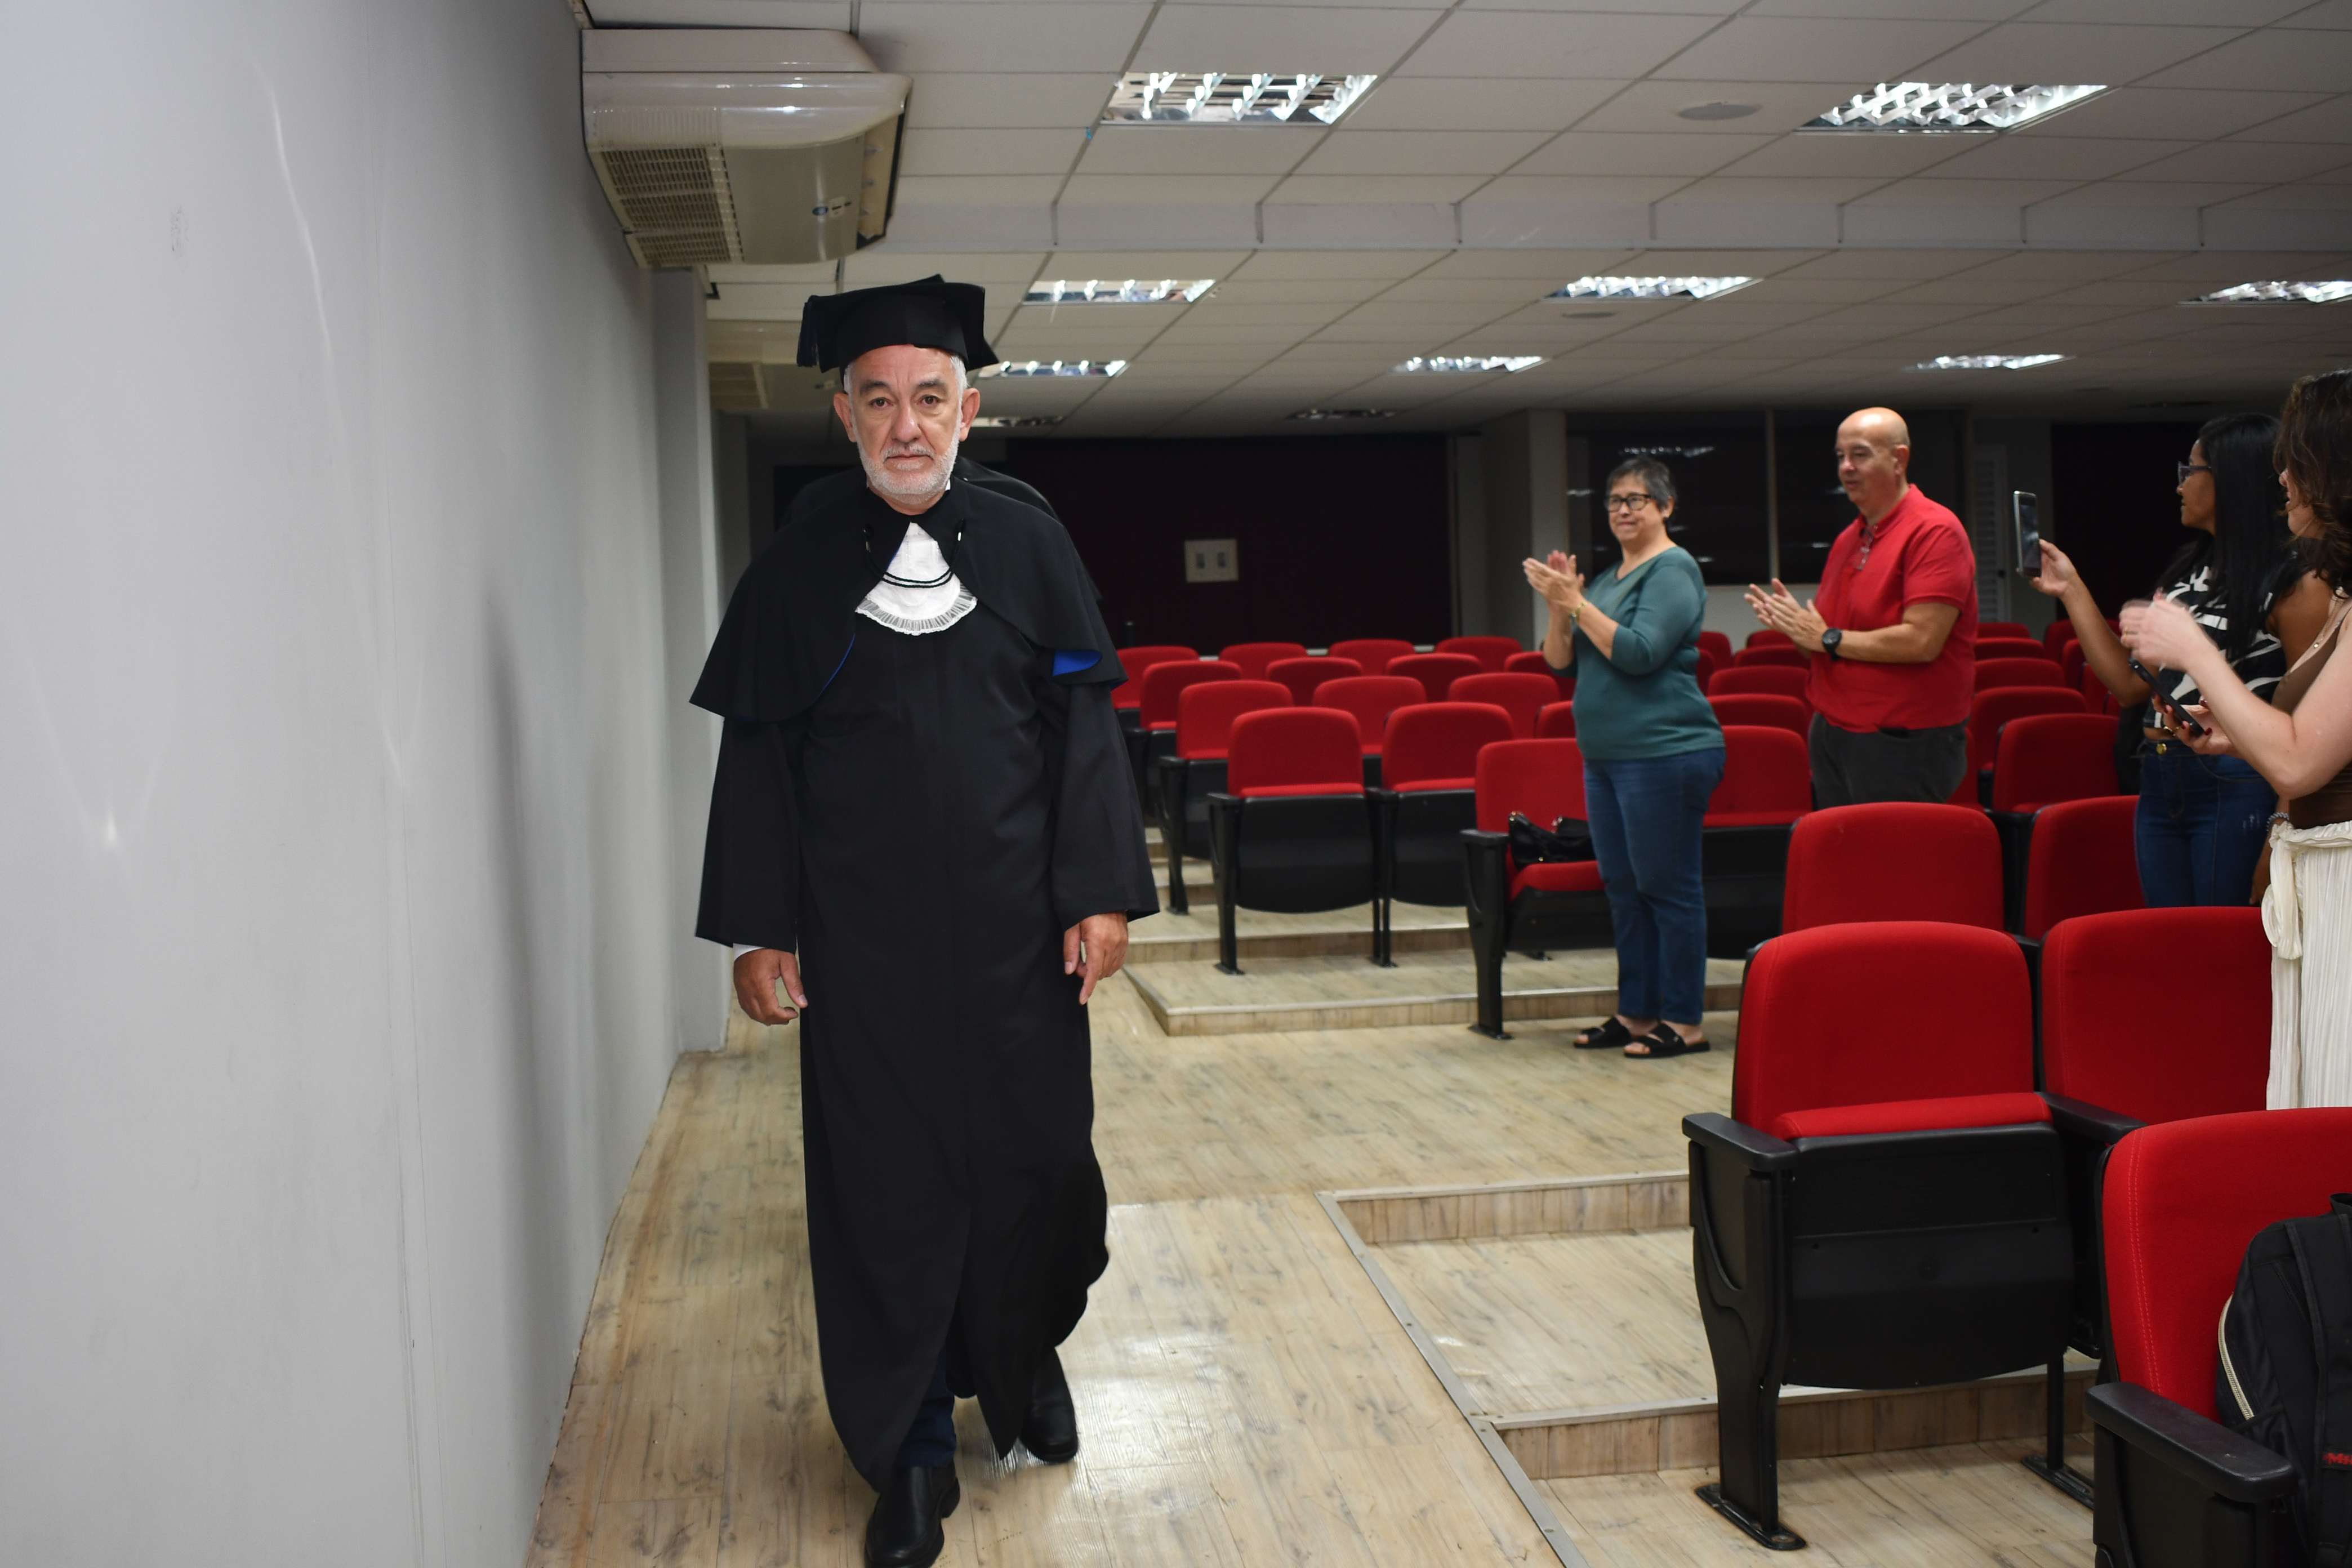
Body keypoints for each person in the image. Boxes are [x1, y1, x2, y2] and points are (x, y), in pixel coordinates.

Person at [691, 276, 1158, 1567]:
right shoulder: (794, 567)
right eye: (880, 399)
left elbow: (1082, 732)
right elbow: (759, 758)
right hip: (865, 946)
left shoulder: (1030, 543)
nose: (908, 425)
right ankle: (904, 1448)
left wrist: (1099, 888)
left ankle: (1022, 1353)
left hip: (1021, 936)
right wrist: (759, 927)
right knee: (885, 1191)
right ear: (844, 413)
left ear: (971, 408)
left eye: (931, 399)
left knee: (1040, 1166)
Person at [2126, 369, 2352, 1109]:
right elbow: (2304, 738)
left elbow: (2298, 761)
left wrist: (2194, 650)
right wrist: (2237, 735)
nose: (2282, 479)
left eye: (2298, 461)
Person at [2028, 413, 2329, 906]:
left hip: (2237, 780)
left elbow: (2305, 721)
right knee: (2173, 936)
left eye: (2191, 471)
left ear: (2231, 479)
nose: (2180, 486)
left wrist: (2280, 830)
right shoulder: (2194, 567)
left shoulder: (2295, 580)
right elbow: (2130, 686)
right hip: (2162, 773)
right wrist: (2071, 589)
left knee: (2222, 935)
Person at [1523, 456, 1723, 1060]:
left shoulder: (1673, 570)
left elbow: (1639, 654)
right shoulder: (1611, 577)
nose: (1623, 510)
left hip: (1666, 751)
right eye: (1614, 500)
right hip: (1608, 757)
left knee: (1668, 887)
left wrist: (1577, 603)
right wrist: (1560, 606)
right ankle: (1637, 1012)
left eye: (1637, 500)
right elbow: (1560, 661)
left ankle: (1684, 1019)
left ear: (1666, 507)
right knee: (1625, 888)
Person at [1746, 408, 1977, 805]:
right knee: (1844, 846)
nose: (1846, 467)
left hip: (1900, 739)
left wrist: (1827, 638)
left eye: (1860, 454)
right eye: (1840, 456)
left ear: (1899, 459)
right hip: (1833, 729)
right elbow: (1822, 647)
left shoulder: (1935, 530)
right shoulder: (1849, 538)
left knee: (1892, 846)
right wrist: (1796, 627)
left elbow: (1922, 641)